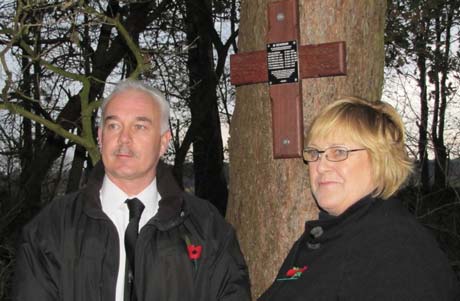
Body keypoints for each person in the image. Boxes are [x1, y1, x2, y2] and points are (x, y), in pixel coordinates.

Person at [13, 79, 251, 301]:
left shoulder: (207, 228)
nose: (124, 139)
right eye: (114, 125)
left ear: (164, 142)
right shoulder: (51, 228)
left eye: (140, 126)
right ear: (100, 136)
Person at [259, 97, 459, 300]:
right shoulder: (324, 238)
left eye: (339, 152)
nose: (321, 165)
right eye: (315, 153)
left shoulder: (396, 250)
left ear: (380, 160)